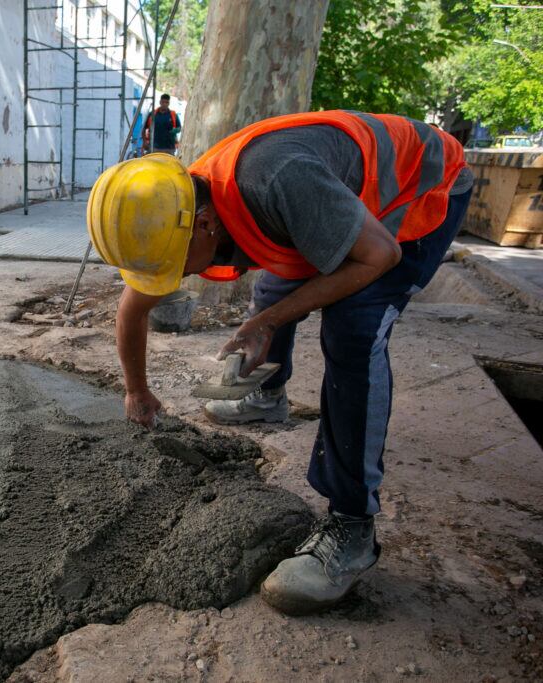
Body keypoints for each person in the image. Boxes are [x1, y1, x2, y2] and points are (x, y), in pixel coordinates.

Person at [87, 110, 473, 615]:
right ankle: (268, 396)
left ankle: (352, 528)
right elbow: (133, 307)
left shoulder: (278, 181)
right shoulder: (172, 205)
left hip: (419, 190)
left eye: (172, 267)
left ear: (203, 224)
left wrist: (267, 324)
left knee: (354, 327)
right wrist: (136, 391)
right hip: (326, 200)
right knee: (275, 284)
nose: (169, 280)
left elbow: (378, 257)